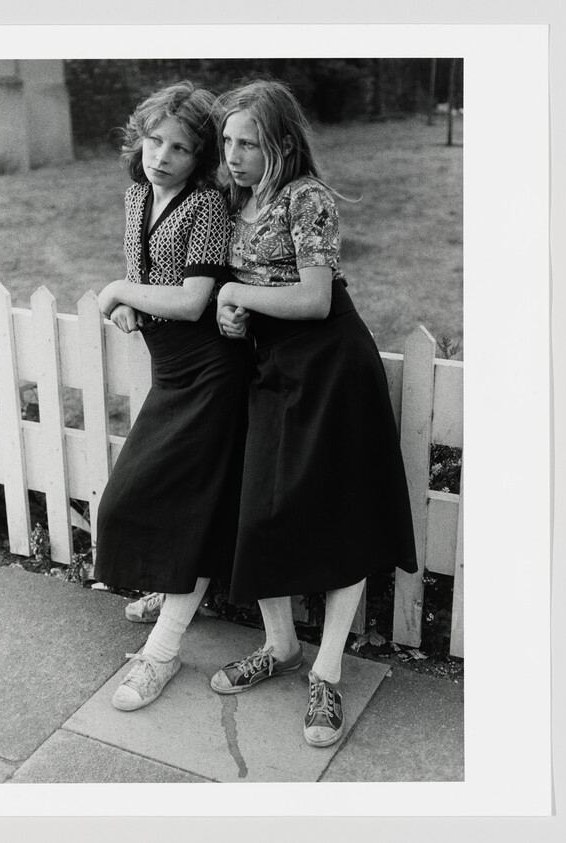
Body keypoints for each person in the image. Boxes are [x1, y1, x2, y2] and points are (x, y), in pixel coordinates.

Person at [211, 80, 418, 747]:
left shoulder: (308, 199)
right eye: (228, 141)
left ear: (282, 142)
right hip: (272, 370)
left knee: (339, 516)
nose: (234, 154)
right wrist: (230, 312)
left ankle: (325, 671)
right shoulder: (237, 203)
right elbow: (250, 298)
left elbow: (312, 299)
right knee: (258, 509)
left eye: (249, 142)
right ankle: (279, 645)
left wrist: (239, 292)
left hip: (330, 367)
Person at [95, 82, 251, 712]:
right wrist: (131, 301)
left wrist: (116, 291)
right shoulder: (137, 194)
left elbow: (192, 299)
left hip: (213, 372)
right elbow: (146, 278)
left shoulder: (207, 204)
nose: (162, 156)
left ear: (200, 155)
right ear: (141, 137)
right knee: (133, 498)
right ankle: (172, 581)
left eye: (181, 148)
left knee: (191, 505)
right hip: (170, 369)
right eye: (155, 140)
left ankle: (162, 653)